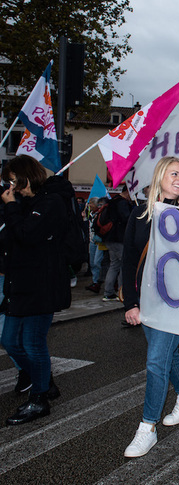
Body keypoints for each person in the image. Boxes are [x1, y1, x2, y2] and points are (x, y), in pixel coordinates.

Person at [122, 156, 179, 458]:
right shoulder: (140, 213)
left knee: (156, 361)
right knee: (168, 355)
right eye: (174, 173)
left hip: (177, 304)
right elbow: (129, 260)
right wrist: (131, 303)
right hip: (146, 300)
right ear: (160, 176)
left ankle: (147, 427)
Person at [1, 155, 71, 425]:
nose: (9, 185)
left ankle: (39, 399)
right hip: (20, 285)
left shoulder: (51, 202)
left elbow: (26, 234)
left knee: (32, 342)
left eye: (12, 179)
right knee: (9, 341)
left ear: (25, 177)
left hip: (42, 285)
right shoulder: (25, 203)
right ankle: (45, 381)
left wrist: (10, 207)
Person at [101, 185, 134, 302]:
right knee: (124, 266)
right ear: (128, 192)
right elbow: (127, 219)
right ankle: (122, 292)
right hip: (119, 238)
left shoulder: (113, 201)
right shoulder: (122, 203)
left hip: (110, 238)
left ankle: (108, 292)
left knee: (114, 265)